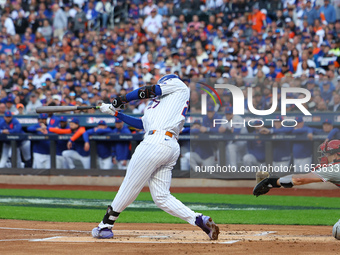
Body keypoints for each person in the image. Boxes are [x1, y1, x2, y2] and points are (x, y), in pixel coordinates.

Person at [92, 74, 219, 240]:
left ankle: (105, 225)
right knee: (161, 197)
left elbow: (152, 90)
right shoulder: (157, 105)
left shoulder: (178, 85)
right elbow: (142, 124)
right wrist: (115, 113)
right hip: (166, 144)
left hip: (156, 142)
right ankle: (199, 219)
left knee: (130, 184)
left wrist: (122, 99)